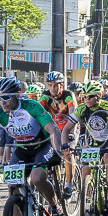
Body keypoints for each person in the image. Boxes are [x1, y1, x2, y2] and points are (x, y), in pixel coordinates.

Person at [0, 76, 62, 216]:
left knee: (37, 178)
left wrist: (57, 151)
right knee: (13, 186)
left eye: (6, 97)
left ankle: (56, 209)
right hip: (22, 148)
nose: (2, 101)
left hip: (43, 145)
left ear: (16, 95)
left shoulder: (31, 106)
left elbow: (52, 129)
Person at [74, 81, 108, 207]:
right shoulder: (82, 108)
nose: (87, 99)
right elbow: (67, 128)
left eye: (90, 96)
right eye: (85, 96)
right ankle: (89, 197)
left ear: (99, 95)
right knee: (85, 169)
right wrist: (67, 144)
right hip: (93, 142)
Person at [38, 71, 80, 199]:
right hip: (55, 129)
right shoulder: (45, 95)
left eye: (55, 85)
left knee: (68, 152)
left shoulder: (68, 95)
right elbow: (38, 112)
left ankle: (69, 185)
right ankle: (51, 176)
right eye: (50, 85)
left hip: (70, 127)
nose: (52, 88)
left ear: (62, 85)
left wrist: (71, 135)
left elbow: (74, 115)